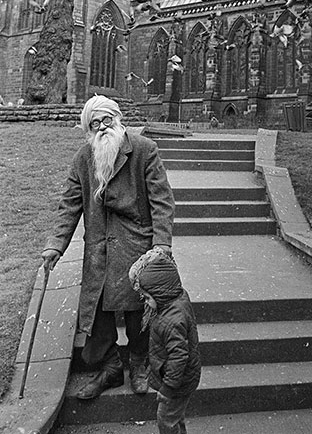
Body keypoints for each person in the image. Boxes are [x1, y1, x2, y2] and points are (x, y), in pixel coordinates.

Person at [41, 95, 175, 400]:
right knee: (99, 314)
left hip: (137, 246)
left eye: (106, 120)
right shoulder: (83, 158)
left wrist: (161, 245)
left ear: (118, 118)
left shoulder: (143, 150)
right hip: (99, 248)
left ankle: (139, 365)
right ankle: (112, 367)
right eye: (94, 123)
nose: (102, 127)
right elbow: (69, 205)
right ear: (88, 128)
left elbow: (162, 201)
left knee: (139, 312)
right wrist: (55, 245)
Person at [129, 248, 201, 434]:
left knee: (166, 420)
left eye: (147, 297)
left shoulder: (171, 320)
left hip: (177, 383)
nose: (145, 302)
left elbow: (178, 356)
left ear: (161, 294)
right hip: (182, 379)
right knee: (176, 417)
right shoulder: (176, 299)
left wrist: (168, 388)